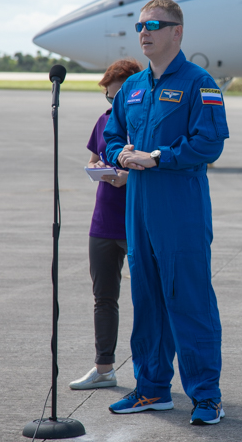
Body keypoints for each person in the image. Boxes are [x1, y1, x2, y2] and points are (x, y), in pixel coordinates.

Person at [103, 0, 230, 424]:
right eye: (140, 25)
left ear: (177, 32)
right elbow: (112, 132)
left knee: (189, 301)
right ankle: (152, 388)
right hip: (138, 208)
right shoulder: (135, 87)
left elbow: (209, 142)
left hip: (180, 208)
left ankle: (206, 396)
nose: (145, 32)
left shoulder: (199, 83)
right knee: (148, 301)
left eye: (155, 24)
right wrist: (120, 154)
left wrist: (159, 157)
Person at [69, 58, 144, 390]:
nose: (112, 105)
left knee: (147, 297)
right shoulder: (103, 122)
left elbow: (156, 167)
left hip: (135, 221)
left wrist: (128, 177)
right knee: (103, 298)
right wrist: (99, 169)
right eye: (108, 98)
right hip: (102, 222)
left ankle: (150, 373)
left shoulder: (145, 123)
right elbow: (92, 158)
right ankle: (103, 369)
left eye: (117, 98)